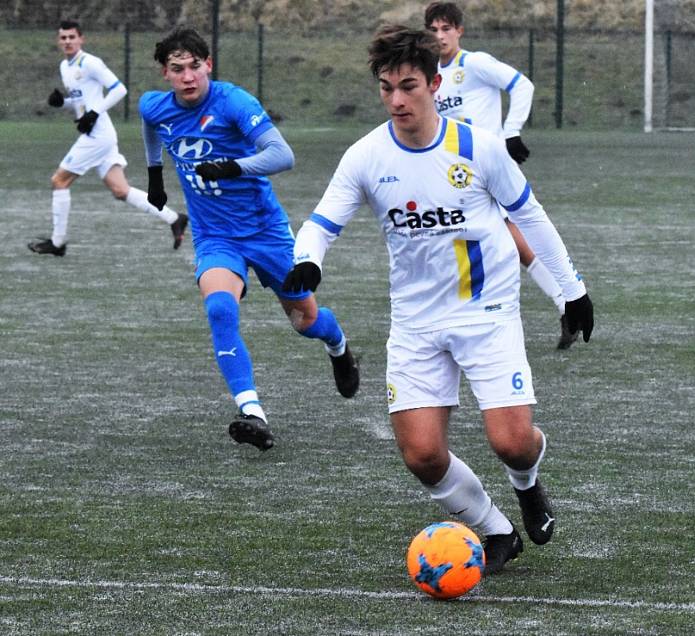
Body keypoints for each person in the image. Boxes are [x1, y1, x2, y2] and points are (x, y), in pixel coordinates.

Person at [284, 26, 594, 573]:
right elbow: (320, 224)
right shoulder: (365, 155)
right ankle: (497, 530)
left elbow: (530, 216)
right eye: (386, 89)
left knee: (513, 443)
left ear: (434, 82)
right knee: (422, 455)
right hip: (416, 322)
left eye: (408, 86)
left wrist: (573, 290)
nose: (397, 99)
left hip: (488, 313)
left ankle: (527, 483)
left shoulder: (479, 148)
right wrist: (309, 259)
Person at [139, 27, 359, 451]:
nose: (187, 77)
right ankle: (252, 412)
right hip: (214, 235)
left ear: (208, 66)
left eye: (194, 67)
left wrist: (231, 167)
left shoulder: (234, 102)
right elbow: (151, 126)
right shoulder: (154, 105)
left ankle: (339, 345)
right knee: (220, 307)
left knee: (306, 322)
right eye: (176, 69)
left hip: (265, 232)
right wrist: (153, 174)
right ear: (165, 73)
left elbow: (283, 155)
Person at [424, 2, 576, 349]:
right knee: (501, 242)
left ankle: (563, 300)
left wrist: (511, 132)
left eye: (446, 28)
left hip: (488, 169)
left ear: (459, 31)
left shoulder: (474, 63)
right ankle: (564, 301)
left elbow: (522, 85)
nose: (440, 36)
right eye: (433, 30)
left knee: (508, 237)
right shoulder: (429, 74)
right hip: (455, 175)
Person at [29, 20, 188, 257]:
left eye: (72, 37)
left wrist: (94, 113)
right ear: (58, 40)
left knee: (59, 181)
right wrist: (63, 102)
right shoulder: (65, 66)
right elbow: (83, 101)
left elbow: (119, 89)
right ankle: (174, 218)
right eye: (63, 37)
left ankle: (57, 242)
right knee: (120, 190)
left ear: (81, 39)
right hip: (98, 133)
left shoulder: (90, 62)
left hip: (98, 135)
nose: (67, 41)